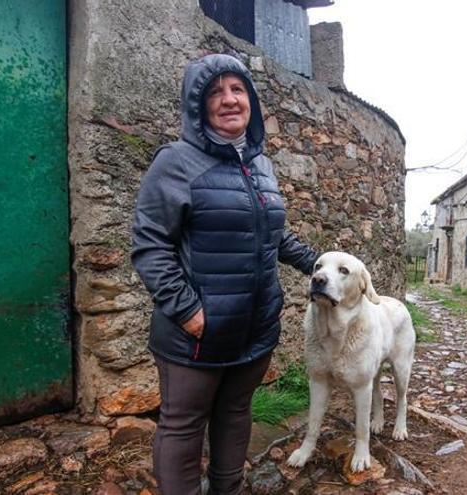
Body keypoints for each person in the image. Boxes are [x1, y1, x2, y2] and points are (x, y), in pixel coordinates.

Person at [131, 53, 319, 495]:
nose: (229, 100)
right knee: (183, 427)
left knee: (236, 414)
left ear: (251, 100)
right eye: (215, 92)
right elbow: (150, 244)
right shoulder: (175, 162)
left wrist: (322, 262)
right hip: (196, 335)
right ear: (197, 106)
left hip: (255, 330)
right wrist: (186, 310)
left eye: (238, 89)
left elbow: (273, 235)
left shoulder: (261, 166)